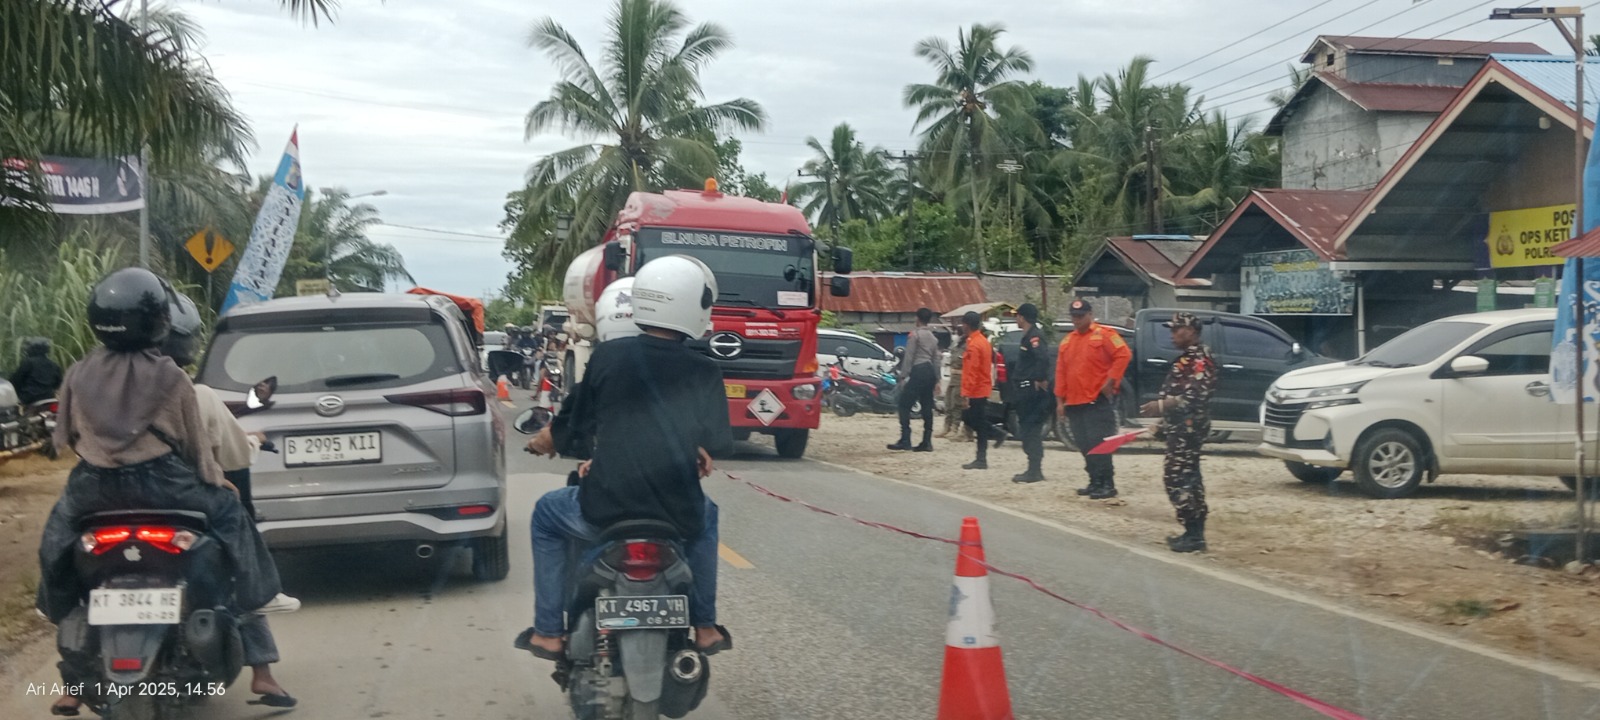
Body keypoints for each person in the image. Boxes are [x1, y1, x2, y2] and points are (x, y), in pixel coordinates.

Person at [36, 268, 285, 716]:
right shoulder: (172, 377)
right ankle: (257, 597)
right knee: (232, 516)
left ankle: (52, 605)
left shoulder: (77, 373)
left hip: (93, 488)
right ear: (160, 321)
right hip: (167, 486)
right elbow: (194, 445)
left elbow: (67, 436)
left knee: (57, 540)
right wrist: (214, 481)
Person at [516, 256, 732, 661]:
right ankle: (704, 626)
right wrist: (696, 449)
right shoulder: (705, 369)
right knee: (710, 515)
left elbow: (573, 428)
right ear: (694, 306)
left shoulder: (608, 357)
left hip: (604, 510)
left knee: (546, 514)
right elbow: (718, 440)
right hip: (677, 515)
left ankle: (548, 632)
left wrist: (546, 443)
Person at [158, 292, 299, 708]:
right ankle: (263, 673)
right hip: (184, 503)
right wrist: (252, 443)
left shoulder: (98, 384)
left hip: (107, 502)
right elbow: (235, 453)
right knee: (234, 562)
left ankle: (71, 688)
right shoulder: (196, 394)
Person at [1139, 312, 1219, 553]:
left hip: (1189, 429)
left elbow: (1195, 397)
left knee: (1177, 478)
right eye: (1171, 330)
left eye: (1177, 330)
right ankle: (1193, 533)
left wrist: (1160, 406)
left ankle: (1194, 534)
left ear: (1192, 332)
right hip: (1181, 427)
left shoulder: (1200, 360)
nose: (1172, 334)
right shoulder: (1188, 358)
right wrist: (1162, 426)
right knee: (1189, 478)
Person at [1054, 299, 1131, 499]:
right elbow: (1061, 372)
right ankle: (1094, 481)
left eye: (1081, 316)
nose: (1077, 320)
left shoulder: (1105, 335)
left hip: (1096, 402)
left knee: (1100, 445)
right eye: (1074, 317)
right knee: (1085, 445)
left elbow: (1124, 354)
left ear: (1090, 314)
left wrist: (1111, 380)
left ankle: (1107, 484)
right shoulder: (1067, 341)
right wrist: (1060, 402)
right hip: (1074, 403)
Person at [888, 307, 941, 452]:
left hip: (918, 369)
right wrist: (937, 379)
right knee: (927, 406)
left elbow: (909, 357)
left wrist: (903, 375)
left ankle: (905, 438)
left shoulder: (915, 335)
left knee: (904, 404)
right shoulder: (933, 337)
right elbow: (937, 359)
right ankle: (927, 441)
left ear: (917, 318)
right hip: (930, 371)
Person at [1010, 304, 1052, 484]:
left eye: (1017, 316)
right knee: (1027, 429)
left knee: (1030, 429)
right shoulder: (1028, 336)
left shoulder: (1034, 336)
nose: (1016, 319)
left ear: (1022, 317)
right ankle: (1033, 469)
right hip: (1024, 389)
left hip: (1030, 392)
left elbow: (1042, 358)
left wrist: (1039, 378)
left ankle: (1034, 471)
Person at [958, 311, 998, 470]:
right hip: (981, 387)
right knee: (972, 420)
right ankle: (993, 437)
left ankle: (982, 458)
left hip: (976, 389)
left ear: (966, 324)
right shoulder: (982, 341)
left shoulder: (974, 344)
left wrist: (966, 394)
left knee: (974, 421)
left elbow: (972, 371)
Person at [938, 327, 970, 441]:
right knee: (948, 402)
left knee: (956, 403)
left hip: (961, 377)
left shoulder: (968, 343)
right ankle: (947, 426)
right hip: (952, 376)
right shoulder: (957, 343)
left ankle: (954, 428)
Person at [10, 337, 63, 405]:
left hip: (28, 399)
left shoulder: (28, 363)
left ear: (32, 349)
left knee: (13, 411)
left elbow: (16, 380)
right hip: (49, 398)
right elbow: (58, 384)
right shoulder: (54, 365)